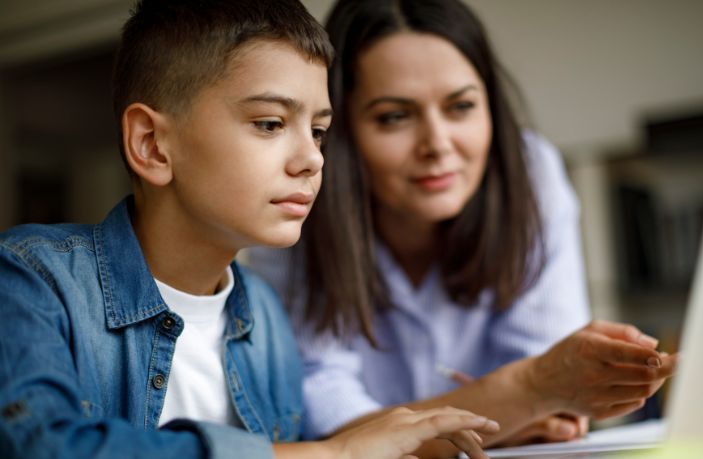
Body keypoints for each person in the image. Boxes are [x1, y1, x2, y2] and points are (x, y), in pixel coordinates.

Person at [0, 1, 503, 458]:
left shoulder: (265, 314)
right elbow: (41, 446)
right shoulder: (30, 278)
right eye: (270, 123)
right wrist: (334, 454)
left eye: (318, 131)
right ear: (152, 144)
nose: (312, 159)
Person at [249, 0, 677, 457]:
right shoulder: (297, 198)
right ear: (340, 129)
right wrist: (522, 396)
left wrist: (528, 396)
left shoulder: (530, 172)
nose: (437, 144)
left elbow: (557, 404)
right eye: (394, 117)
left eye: (461, 106)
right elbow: (324, 416)